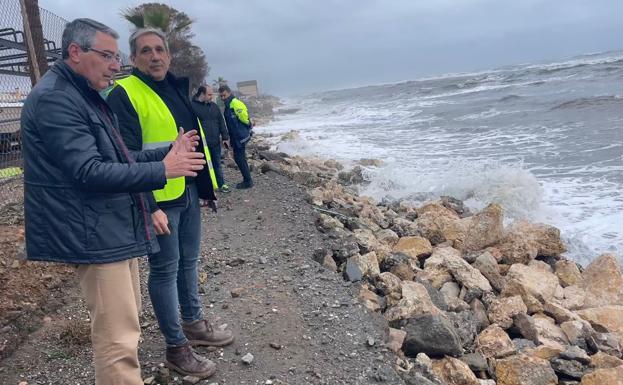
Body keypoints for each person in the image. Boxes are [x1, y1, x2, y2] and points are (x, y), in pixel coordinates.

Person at [21, 18, 206, 385]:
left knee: (127, 321)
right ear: (76, 52)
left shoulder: (83, 95)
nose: (114, 65)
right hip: (93, 232)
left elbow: (117, 157)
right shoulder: (58, 98)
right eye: (107, 55)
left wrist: (163, 155)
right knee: (117, 338)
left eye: (116, 56)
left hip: (109, 226)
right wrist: (163, 171)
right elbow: (89, 172)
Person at [107, 28, 234, 379]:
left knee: (189, 261)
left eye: (160, 49)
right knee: (164, 270)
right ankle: (176, 348)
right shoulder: (125, 94)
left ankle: (193, 324)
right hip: (160, 200)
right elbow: (125, 157)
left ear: (169, 54)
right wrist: (149, 205)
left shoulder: (176, 88)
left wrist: (206, 188)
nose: (155, 56)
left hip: (188, 192)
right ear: (133, 59)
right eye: (145, 51)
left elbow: (192, 144)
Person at [191, 85, 230, 193]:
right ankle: (206, 188)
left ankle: (221, 184)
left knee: (217, 164)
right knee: (203, 167)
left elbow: (221, 122)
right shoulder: (192, 106)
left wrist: (225, 137)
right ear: (202, 94)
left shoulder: (214, 106)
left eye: (212, 94)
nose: (211, 97)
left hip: (215, 142)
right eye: (209, 95)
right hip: (201, 144)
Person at [218, 85, 254, 189]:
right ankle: (247, 180)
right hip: (236, 136)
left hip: (240, 136)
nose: (223, 98)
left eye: (224, 95)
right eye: (221, 96)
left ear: (229, 93)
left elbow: (244, 117)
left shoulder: (235, 103)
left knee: (239, 158)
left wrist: (248, 125)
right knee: (240, 158)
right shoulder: (228, 104)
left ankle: (248, 181)